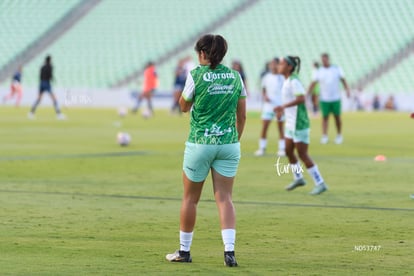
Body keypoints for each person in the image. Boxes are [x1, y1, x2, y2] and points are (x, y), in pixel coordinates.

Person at [166, 34, 246, 267]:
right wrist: (233, 140)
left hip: (201, 143)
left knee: (190, 198)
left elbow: (183, 106)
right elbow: (241, 115)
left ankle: (184, 251)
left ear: (202, 53)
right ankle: (229, 252)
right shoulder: (235, 76)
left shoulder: (195, 75)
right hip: (229, 144)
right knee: (225, 199)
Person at [274, 56, 328, 195]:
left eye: (282, 64)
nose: (279, 66)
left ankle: (320, 182)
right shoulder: (287, 81)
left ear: (289, 67)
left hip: (299, 123)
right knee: (288, 151)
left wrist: (282, 107)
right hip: (291, 122)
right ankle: (298, 178)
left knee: (302, 154)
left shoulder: (294, 81)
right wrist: (282, 111)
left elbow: (301, 99)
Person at [307, 53, 350, 144]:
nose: (324, 61)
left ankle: (339, 135)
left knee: (337, 117)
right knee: (325, 117)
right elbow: (313, 83)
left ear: (328, 59)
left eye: (325, 59)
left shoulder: (336, 69)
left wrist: (347, 90)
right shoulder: (319, 71)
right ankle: (324, 136)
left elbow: (343, 79)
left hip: (335, 97)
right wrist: (307, 93)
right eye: (322, 60)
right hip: (324, 98)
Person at [254, 58, 285, 156]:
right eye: (271, 64)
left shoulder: (282, 77)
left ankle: (282, 149)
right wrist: (265, 96)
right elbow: (263, 89)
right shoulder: (266, 77)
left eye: (275, 64)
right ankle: (262, 148)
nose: (273, 66)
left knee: (280, 128)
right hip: (268, 106)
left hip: (279, 106)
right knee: (264, 126)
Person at [28, 55, 65, 119]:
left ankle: (31, 112)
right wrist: (53, 80)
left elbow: (40, 76)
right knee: (54, 98)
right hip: (47, 83)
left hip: (41, 83)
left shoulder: (42, 67)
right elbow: (50, 75)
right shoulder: (50, 66)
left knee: (39, 99)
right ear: (50, 60)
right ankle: (59, 114)